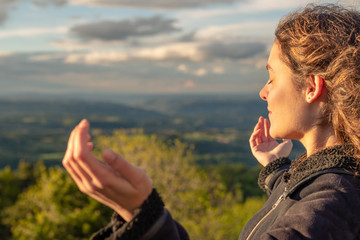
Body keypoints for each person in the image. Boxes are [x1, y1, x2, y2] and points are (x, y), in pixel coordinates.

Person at [62, 4, 360, 239]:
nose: (263, 91)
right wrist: (276, 170)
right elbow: (301, 199)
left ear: (311, 87)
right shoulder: (332, 184)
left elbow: (319, 210)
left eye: (272, 78)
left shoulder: (333, 204)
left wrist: (144, 215)